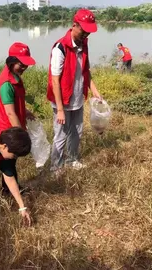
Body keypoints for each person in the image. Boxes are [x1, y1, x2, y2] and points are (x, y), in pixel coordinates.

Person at [47, 9, 102, 175]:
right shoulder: (60, 48)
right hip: (62, 101)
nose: (86, 34)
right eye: (83, 30)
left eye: (88, 32)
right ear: (74, 25)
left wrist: (94, 90)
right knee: (61, 135)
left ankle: (72, 160)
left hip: (77, 98)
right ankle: (55, 166)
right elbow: (54, 81)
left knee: (77, 131)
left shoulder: (84, 44)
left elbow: (86, 70)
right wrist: (61, 110)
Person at [0, 42, 36, 192]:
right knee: (8, 162)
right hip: (7, 129)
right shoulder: (6, 83)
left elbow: (15, 102)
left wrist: (26, 111)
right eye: (21, 64)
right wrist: (21, 134)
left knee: (11, 161)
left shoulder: (15, 76)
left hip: (12, 127)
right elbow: (10, 112)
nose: (24, 68)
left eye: (26, 65)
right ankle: (10, 190)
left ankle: (10, 188)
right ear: (11, 62)